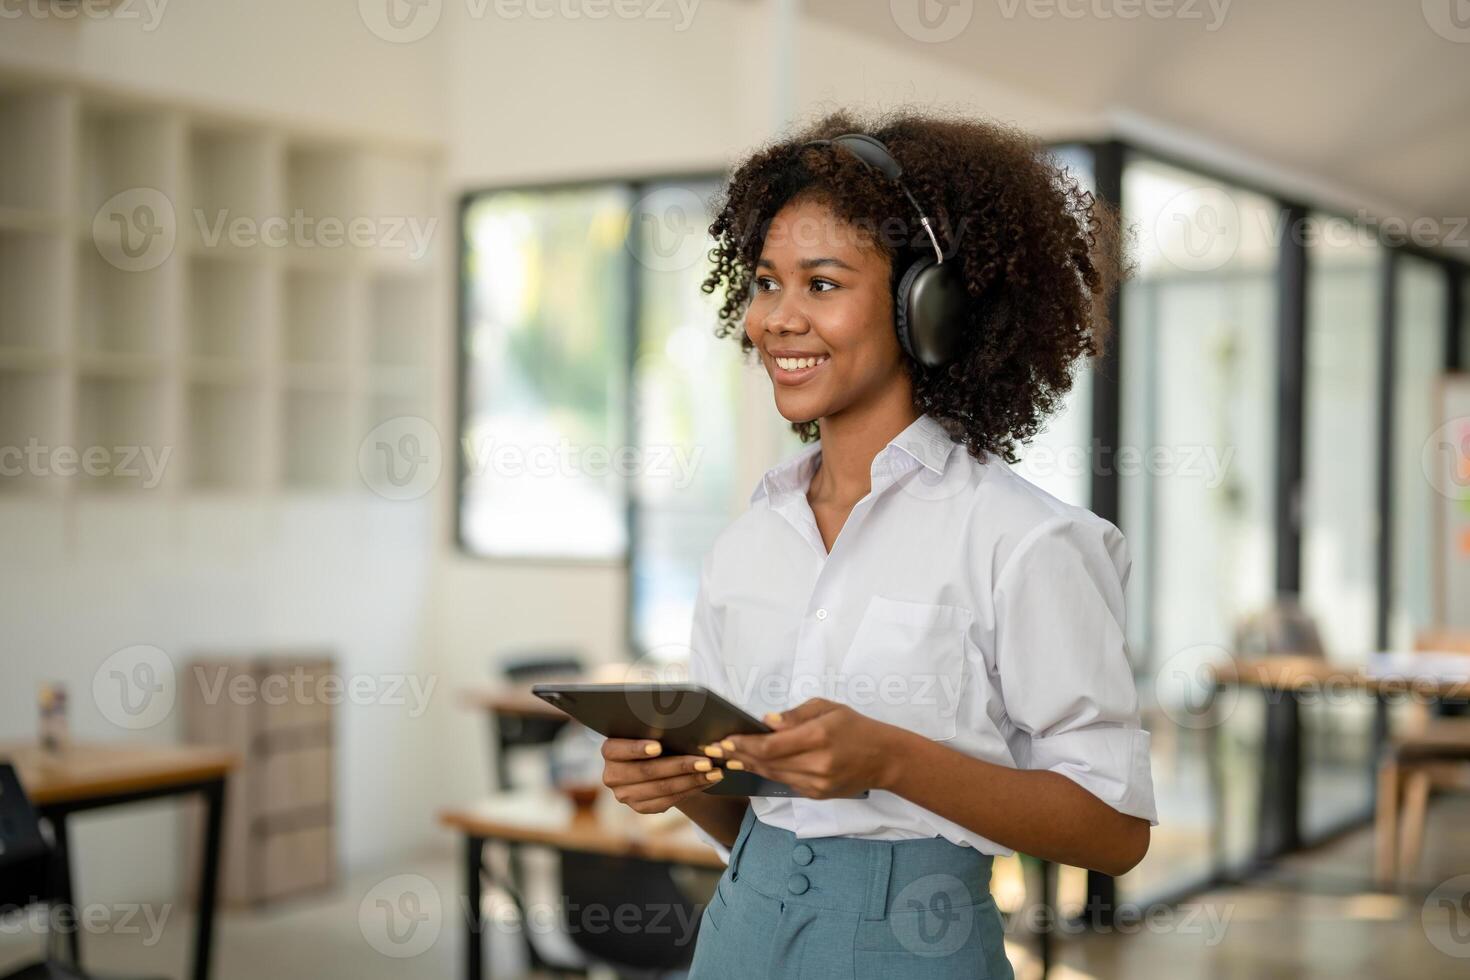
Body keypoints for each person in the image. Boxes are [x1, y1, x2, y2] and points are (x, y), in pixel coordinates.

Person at [599, 108, 1157, 980]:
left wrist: (893, 760)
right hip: (737, 936)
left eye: (822, 284)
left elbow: (1114, 832)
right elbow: (757, 818)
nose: (778, 319)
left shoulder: (1025, 539)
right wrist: (681, 781)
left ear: (922, 305)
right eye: (765, 282)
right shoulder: (749, 543)